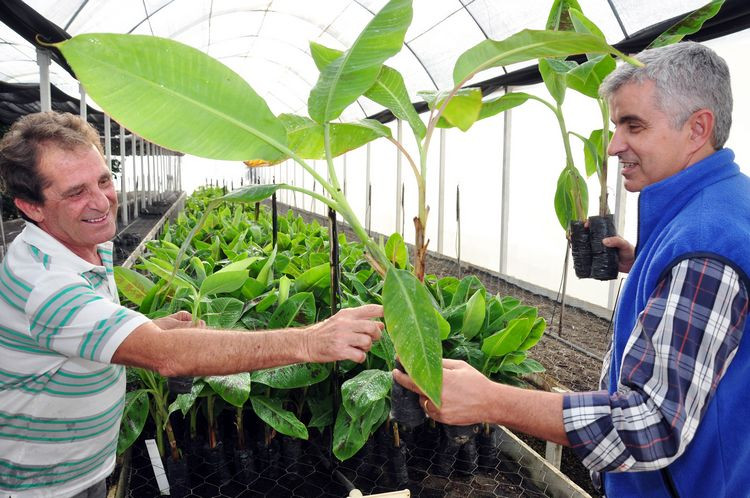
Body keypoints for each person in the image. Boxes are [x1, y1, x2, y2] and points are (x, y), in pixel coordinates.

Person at [395, 41, 750, 498]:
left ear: (698, 128)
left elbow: (651, 424)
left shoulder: (704, 246)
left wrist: (492, 398)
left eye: (633, 126)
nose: (615, 145)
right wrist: (643, 264)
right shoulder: (720, 208)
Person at [0, 111, 384, 498]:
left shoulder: (85, 246)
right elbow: (168, 357)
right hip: (40, 485)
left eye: (103, 180)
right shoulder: (44, 283)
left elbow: (82, 333)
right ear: (32, 207)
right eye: (76, 192)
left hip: (82, 467)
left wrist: (149, 328)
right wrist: (310, 340)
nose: (102, 200)